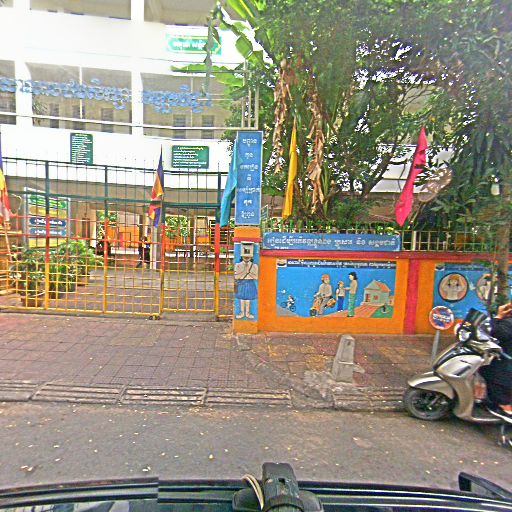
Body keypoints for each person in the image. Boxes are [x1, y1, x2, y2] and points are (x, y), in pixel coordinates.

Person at [482, 303, 512, 415]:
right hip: (505, 356)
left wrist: (498, 316)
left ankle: (506, 408)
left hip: (507, 361)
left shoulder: (508, 324)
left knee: (490, 373)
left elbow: (495, 332)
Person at [234, 254, 258, 319]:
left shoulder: (254, 266)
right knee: (242, 299)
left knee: (248, 299)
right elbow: (236, 277)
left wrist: (249, 272)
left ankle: (247, 313)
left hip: (250, 283)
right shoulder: (238, 265)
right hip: (241, 283)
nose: (246, 257)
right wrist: (244, 272)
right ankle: (242, 313)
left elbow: (256, 277)